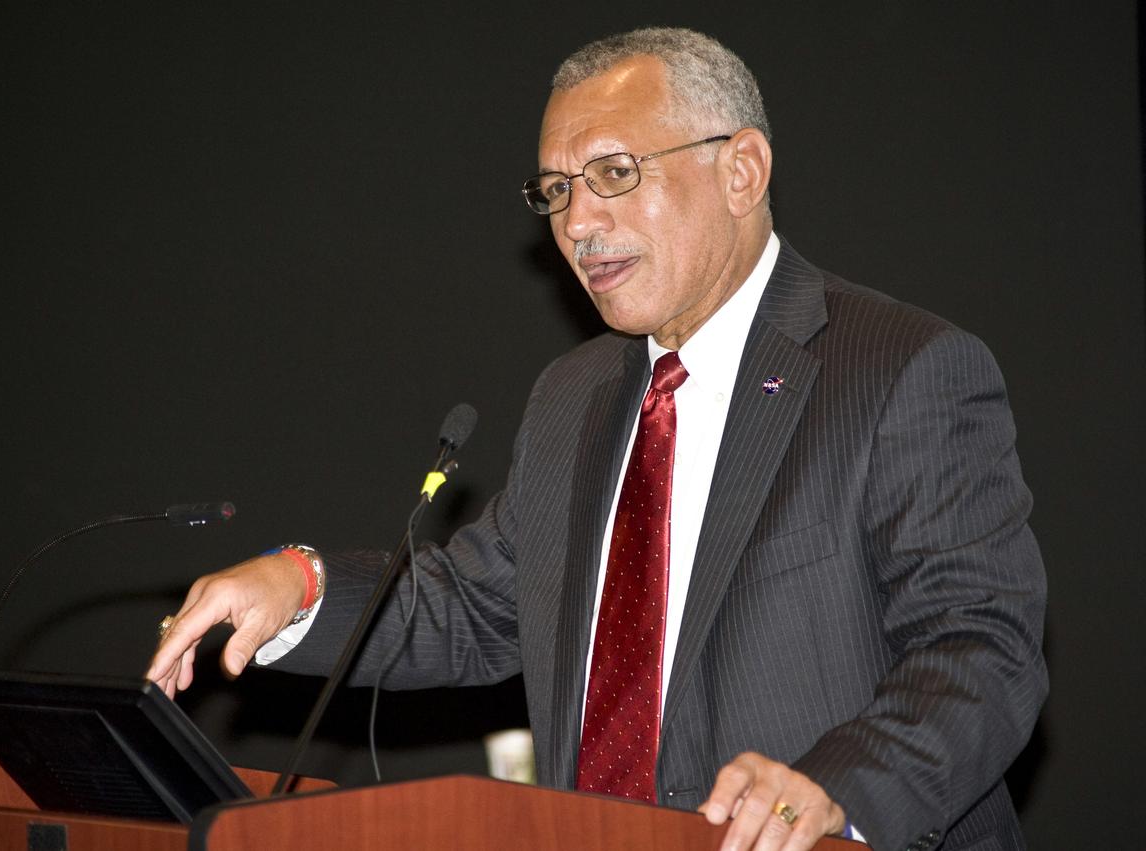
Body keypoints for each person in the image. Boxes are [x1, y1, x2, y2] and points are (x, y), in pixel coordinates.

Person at [148, 27, 1046, 851]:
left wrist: (836, 789)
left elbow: (982, 645)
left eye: (616, 173)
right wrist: (298, 583)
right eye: (556, 191)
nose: (577, 224)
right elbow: (480, 606)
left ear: (742, 170)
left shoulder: (900, 367)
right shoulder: (576, 394)